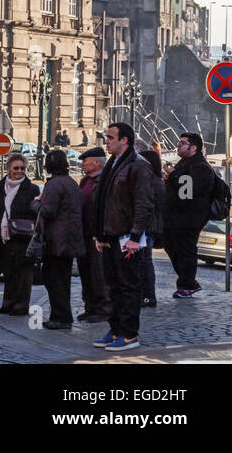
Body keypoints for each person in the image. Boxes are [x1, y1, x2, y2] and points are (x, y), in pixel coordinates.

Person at [90, 121, 155, 352]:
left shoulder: (138, 165)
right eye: (106, 137)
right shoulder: (113, 163)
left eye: (110, 137)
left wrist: (136, 237)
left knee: (128, 286)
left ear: (124, 140)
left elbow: (144, 204)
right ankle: (116, 329)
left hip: (127, 237)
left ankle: (128, 334)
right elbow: (103, 202)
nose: (106, 141)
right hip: (110, 235)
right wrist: (99, 234)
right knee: (114, 286)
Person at [0, 152, 40, 316]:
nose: (19, 171)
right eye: (16, 168)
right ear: (8, 169)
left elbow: (36, 214)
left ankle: (21, 306)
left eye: (22, 168)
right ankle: (8, 303)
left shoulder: (32, 188)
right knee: (8, 272)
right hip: (4, 236)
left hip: (23, 237)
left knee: (24, 273)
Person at [37, 149, 83, 329]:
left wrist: (36, 203)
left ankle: (61, 317)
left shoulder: (55, 184)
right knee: (61, 279)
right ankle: (62, 316)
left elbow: (47, 210)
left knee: (55, 280)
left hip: (57, 240)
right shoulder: (72, 183)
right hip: (69, 238)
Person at [164, 132, 213, 298]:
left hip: (189, 218)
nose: (178, 145)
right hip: (176, 216)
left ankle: (187, 284)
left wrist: (172, 176)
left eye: (182, 143)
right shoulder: (184, 163)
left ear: (193, 148)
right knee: (171, 246)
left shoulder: (200, 167)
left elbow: (187, 192)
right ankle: (188, 281)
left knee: (186, 250)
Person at [75, 148, 112, 323]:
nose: (82, 164)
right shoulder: (84, 181)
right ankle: (89, 307)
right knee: (86, 271)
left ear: (97, 163)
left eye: (85, 160)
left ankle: (104, 308)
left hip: (98, 232)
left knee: (99, 272)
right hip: (84, 231)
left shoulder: (105, 179)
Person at [138, 147, 167, 308]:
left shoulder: (153, 181)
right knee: (143, 261)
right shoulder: (156, 180)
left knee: (145, 261)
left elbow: (148, 206)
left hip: (148, 227)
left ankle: (148, 296)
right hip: (150, 226)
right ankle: (146, 294)